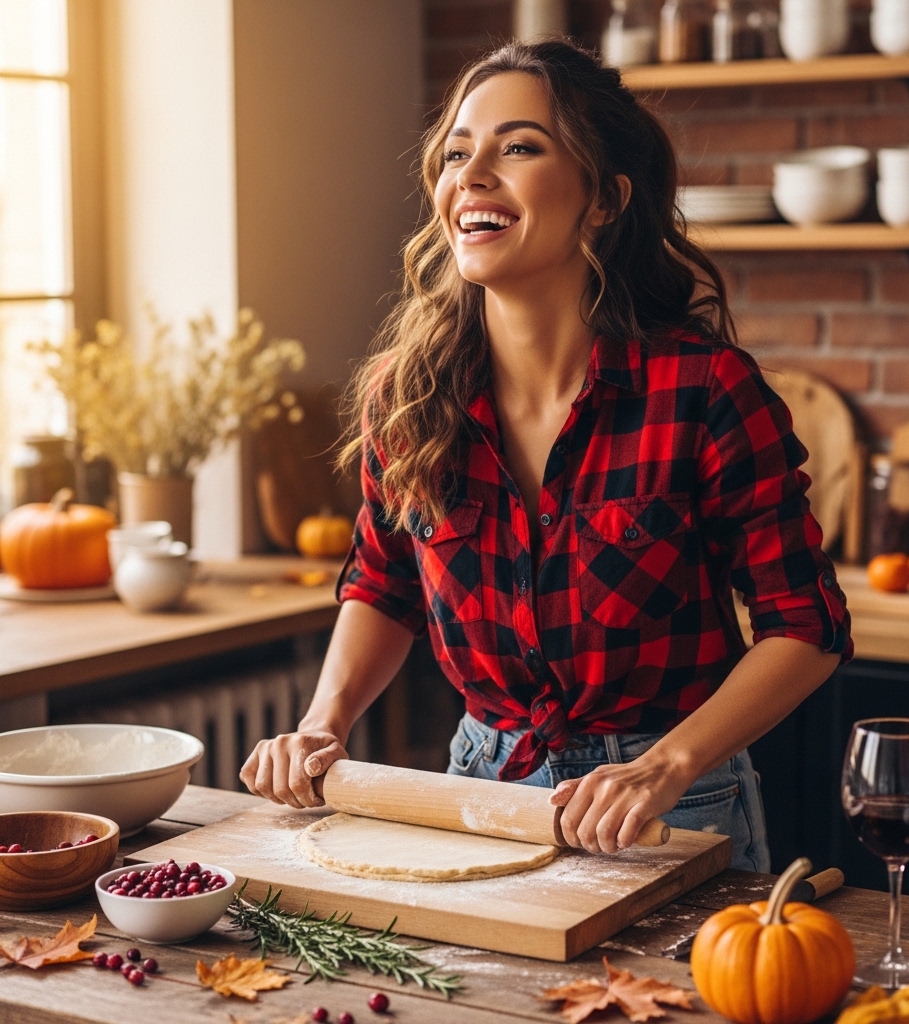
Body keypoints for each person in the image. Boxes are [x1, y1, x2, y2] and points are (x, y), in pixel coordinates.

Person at [240, 40, 852, 870]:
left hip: (668, 807)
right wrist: (324, 720)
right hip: (477, 790)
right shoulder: (407, 394)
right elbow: (385, 583)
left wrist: (663, 766)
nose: (473, 175)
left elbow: (806, 626)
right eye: (458, 152)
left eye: (518, 147)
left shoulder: (702, 389)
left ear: (604, 198)